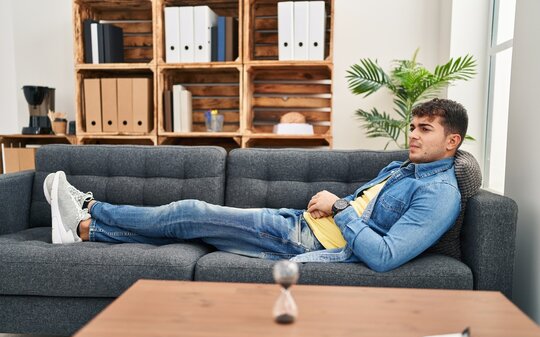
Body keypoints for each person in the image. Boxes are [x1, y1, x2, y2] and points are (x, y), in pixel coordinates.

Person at [46, 98, 466, 272]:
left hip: (304, 242)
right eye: (412, 126)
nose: (412, 135)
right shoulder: (405, 168)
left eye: (424, 129)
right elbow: (366, 209)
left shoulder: (439, 194)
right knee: (192, 228)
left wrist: (338, 207)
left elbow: (386, 256)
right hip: (300, 223)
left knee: (190, 212)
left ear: (452, 141)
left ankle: (89, 208)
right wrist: (333, 208)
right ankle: (86, 232)